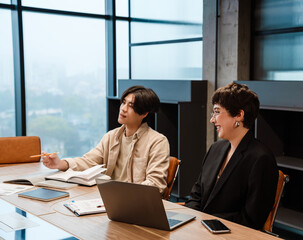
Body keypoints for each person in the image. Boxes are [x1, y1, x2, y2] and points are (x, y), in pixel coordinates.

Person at [42, 85, 170, 193]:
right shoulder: (111, 136)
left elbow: (155, 184)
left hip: (135, 203)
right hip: (108, 199)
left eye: (131, 105)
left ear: (144, 113)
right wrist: (61, 164)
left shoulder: (157, 142)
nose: (123, 108)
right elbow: (89, 161)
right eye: (124, 102)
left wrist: (125, 194)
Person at [185, 82, 278, 230]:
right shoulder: (216, 148)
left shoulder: (261, 158)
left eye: (217, 112)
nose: (212, 119)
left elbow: (251, 219)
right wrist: (192, 221)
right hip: (199, 229)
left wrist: (206, 222)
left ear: (239, 115)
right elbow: (196, 196)